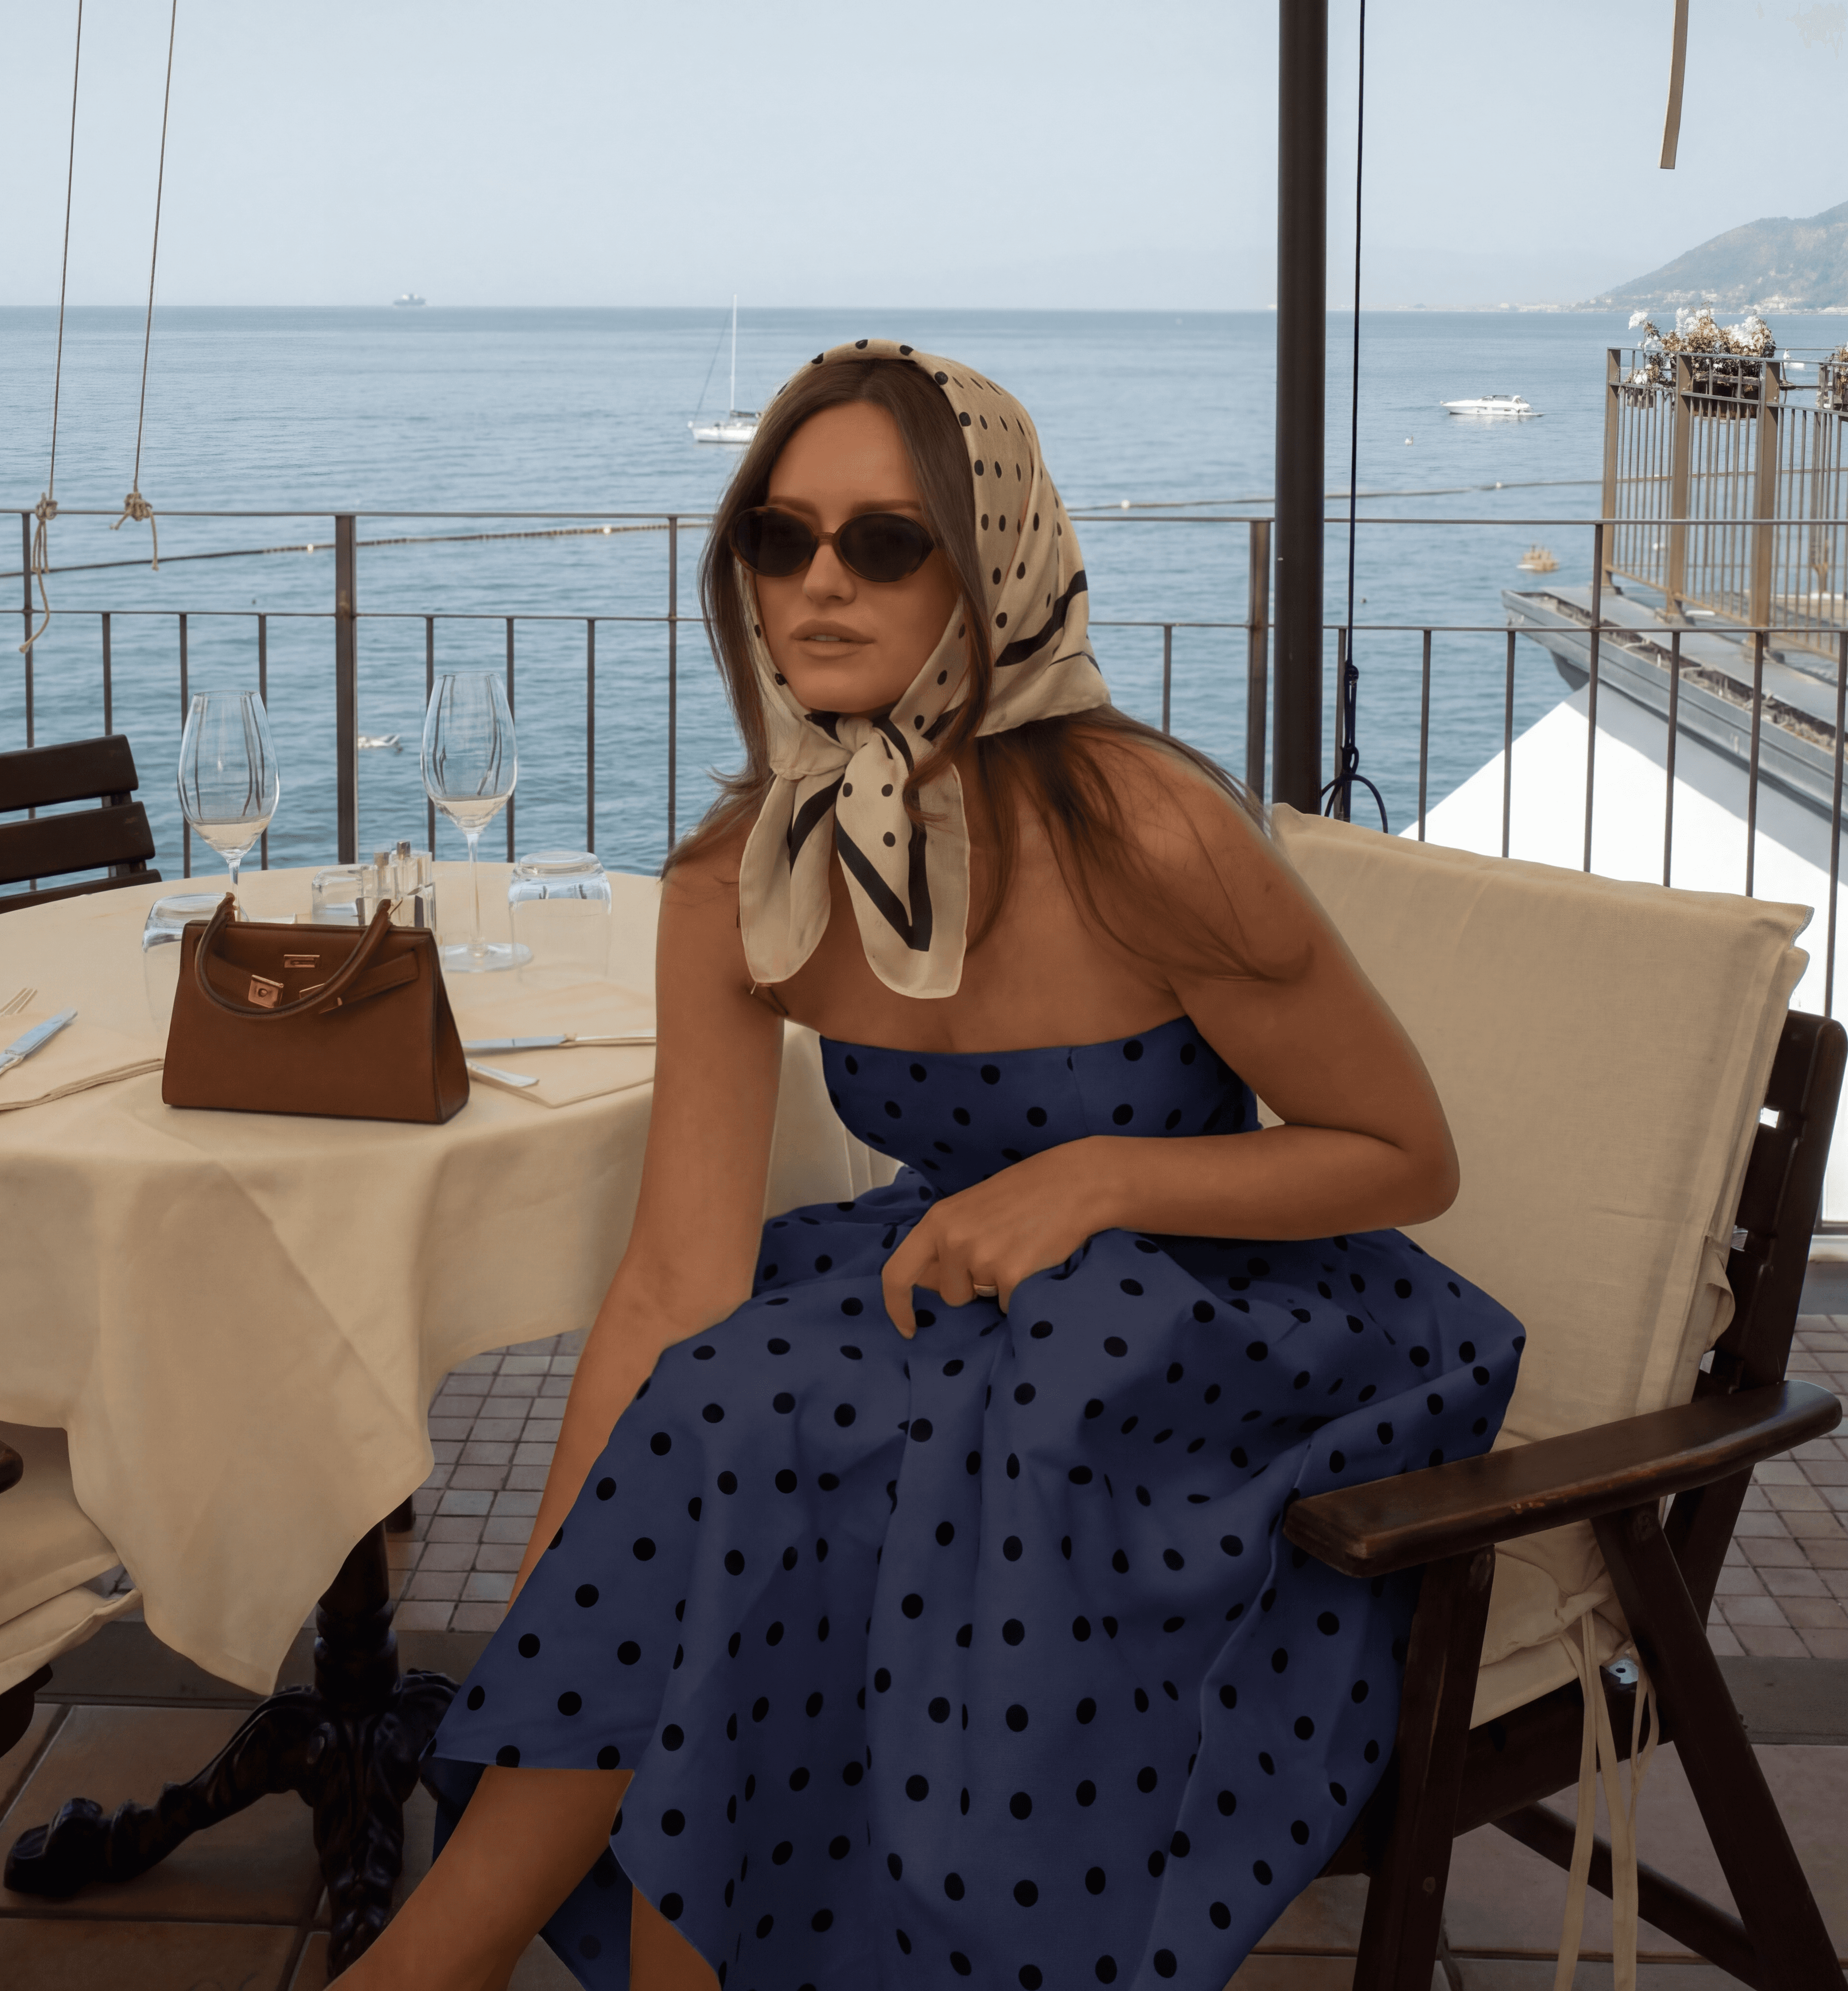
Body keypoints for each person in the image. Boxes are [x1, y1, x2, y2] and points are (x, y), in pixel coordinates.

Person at [345, 342, 1524, 1991]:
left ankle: (428, 1971)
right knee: (740, 1428)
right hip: (958, 1293)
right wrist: (566, 1598)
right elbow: (675, 1278)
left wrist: (1095, 1181)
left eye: (886, 542)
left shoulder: (1149, 829)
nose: (821, 583)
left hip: (1218, 1327)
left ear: (991, 570)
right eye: (780, 538)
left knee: (764, 1427)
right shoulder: (747, 878)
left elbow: (1406, 1155)